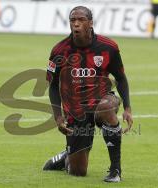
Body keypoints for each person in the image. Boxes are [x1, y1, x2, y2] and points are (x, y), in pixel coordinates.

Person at [43, 6, 133, 183]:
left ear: (90, 23)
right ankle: (67, 156)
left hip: (102, 99)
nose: (76, 24)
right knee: (78, 172)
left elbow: (121, 78)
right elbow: (53, 86)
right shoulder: (59, 51)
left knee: (107, 107)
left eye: (81, 20)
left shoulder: (108, 47)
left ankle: (115, 170)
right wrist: (58, 117)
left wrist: (128, 108)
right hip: (75, 110)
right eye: (72, 20)